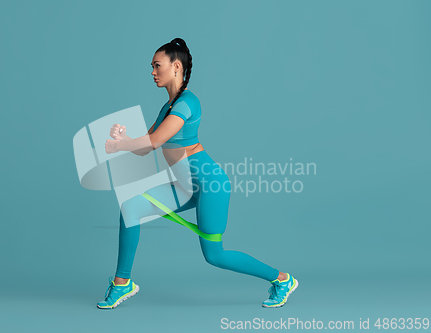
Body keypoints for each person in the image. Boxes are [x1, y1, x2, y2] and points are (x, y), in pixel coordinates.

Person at [98, 38, 298, 309]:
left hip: (210, 185)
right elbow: (145, 147)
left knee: (215, 256)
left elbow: (155, 141)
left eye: (157, 66)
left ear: (176, 66)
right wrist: (126, 138)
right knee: (130, 208)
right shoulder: (167, 107)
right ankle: (122, 284)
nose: (153, 72)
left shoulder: (187, 103)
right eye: (152, 67)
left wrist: (119, 145)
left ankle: (282, 279)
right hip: (185, 185)